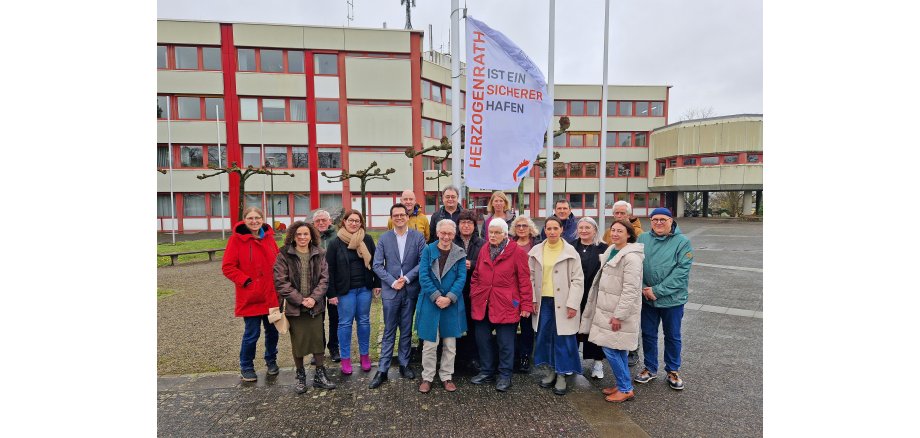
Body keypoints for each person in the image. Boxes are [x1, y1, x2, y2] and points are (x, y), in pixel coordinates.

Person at [580, 219, 645, 403]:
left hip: (617, 312)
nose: (615, 234)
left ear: (629, 235)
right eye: (613, 230)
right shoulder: (611, 250)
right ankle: (622, 383)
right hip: (607, 309)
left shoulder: (631, 257)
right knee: (619, 350)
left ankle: (625, 389)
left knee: (610, 349)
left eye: (620, 231)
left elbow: (631, 290)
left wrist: (619, 315)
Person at [469, 220, 534, 392]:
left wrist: (525, 305)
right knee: (483, 339)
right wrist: (475, 292)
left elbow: (524, 281)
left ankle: (505, 376)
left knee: (505, 342)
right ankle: (487, 371)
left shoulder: (517, 252)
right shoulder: (484, 249)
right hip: (484, 302)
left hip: (507, 303)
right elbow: (476, 275)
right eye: (490, 232)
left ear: (505, 234)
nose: (493, 236)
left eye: (497, 232)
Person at [273, 221, 336, 393]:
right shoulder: (284, 254)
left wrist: (314, 299)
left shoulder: (319, 253)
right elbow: (281, 282)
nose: (302, 237)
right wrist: (301, 300)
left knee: (317, 340)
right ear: (293, 236)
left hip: (315, 306)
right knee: (298, 342)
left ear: (311, 236)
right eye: (299, 234)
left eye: (305, 234)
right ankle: (300, 376)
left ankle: (320, 375)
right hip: (295, 307)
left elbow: (324, 279)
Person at [635, 207, 693, 391]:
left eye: (663, 219)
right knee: (649, 334)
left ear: (671, 221)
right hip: (647, 298)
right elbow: (636, 264)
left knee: (673, 336)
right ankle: (650, 368)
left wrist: (658, 291)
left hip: (672, 300)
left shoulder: (682, 242)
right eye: (655, 219)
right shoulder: (643, 239)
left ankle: (673, 370)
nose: (658, 223)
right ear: (650, 221)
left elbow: (681, 273)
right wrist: (645, 288)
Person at [369, 204, 426, 389]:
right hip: (391, 290)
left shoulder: (417, 237)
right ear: (391, 218)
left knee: (407, 330)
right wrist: (393, 282)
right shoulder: (384, 238)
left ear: (407, 217)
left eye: (402, 214)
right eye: (396, 215)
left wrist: (407, 278)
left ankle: (404, 364)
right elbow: (377, 265)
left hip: (409, 290)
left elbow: (423, 261)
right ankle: (383, 369)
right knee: (389, 330)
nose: (399, 217)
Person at [221, 207, 280, 382]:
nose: (254, 221)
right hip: (251, 296)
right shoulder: (236, 240)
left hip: (270, 294)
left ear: (263, 219)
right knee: (252, 333)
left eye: (257, 218)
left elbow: (277, 261)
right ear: (244, 220)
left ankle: (271, 361)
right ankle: (246, 365)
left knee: (272, 332)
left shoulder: (269, 238)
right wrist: (246, 281)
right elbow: (228, 267)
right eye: (250, 218)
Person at [528, 216, 585, 396]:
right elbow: (529, 277)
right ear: (544, 230)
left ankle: (562, 374)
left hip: (563, 302)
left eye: (555, 228)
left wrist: (573, 304)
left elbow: (578, 280)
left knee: (563, 339)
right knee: (545, 337)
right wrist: (533, 299)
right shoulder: (536, 251)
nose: (552, 232)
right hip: (543, 301)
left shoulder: (570, 252)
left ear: (561, 230)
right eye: (548, 228)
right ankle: (551, 370)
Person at [325, 209, 381, 375]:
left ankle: (365, 356)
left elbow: (376, 262)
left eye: (357, 221)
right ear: (344, 222)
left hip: (364, 288)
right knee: (345, 324)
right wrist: (332, 293)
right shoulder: (335, 243)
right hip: (345, 291)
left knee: (364, 322)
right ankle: (346, 359)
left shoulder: (367, 239)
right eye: (351, 220)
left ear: (361, 223)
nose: (354, 223)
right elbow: (330, 270)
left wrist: (377, 283)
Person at [416, 219, 468, 393]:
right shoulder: (428, 250)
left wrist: (449, 297)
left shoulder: (460, 253)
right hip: (431, 302)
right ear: (437, 233)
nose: (446, 237)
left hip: (451, 304)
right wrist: (437, 296)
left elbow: (461, 278)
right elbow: (423, 276)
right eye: (443, 233)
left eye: (450, 233)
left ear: (454, 235)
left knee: (450, 344)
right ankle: (427, 377)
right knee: (430, 344)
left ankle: (446, 376)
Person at [601, 200, 644, 366]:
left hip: (628, 280)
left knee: (630, 319)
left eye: (622, 213)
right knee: (614, 321)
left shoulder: (639, 232)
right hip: (612, 281)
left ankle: (632, 351)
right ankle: (615, 349)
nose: (619, 216)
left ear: (629, 214)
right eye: (616, 213)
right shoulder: (608, 232)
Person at [571, 217, 609, 379]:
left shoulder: (604, 248)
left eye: (588, 228)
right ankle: (572, 362)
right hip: (574, 294)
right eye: (581, 227)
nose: (584, 231)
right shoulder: (571, 247)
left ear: (595, 230)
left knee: (594, 330)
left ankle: (598, 363)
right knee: (573, 330)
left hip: (594, 295)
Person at [453, 210, 485, 373]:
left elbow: (486, 264)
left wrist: (471, 264)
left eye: (469, 223)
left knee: (474, 326)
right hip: (455, 291)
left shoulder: (482, 243)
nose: (466, 226)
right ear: (458, 225)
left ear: (474, 226)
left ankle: (473, 358)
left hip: (475, 291)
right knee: (456, 325)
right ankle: (457, 359)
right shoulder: (451, 241)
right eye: (463, 223)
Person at [510, 215, 541, 374]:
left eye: (524, 226)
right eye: (518, 226)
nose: (521, 228)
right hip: (513, 294)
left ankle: (525, 357)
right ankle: (514, 356)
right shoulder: (510, 245)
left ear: (530, 228)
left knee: (527, 326)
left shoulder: (537, 245)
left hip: (530, 290)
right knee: (512, 325)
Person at [312, 209, 340, 363]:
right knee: (317, 319)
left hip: (334, 283)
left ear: (330, 221)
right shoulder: (309, 238)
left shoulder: (337, 237)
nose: (321, 223)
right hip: (316, 286)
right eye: (318, 221)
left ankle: (334, 347)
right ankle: (319, 349)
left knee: (335, 318)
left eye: (324, 220)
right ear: (314, 223)